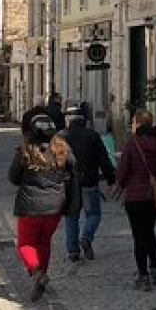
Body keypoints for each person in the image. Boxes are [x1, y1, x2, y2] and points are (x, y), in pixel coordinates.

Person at [7, 112, 79, 301]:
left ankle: (37, 273)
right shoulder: (63, 149)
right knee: (44, 242)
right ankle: (41, 276)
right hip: (55, 206)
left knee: (25, 244)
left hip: (30, 207)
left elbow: (13, 178)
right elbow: (74, 168)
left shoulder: (26, 152)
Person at [115, 109, 156, 291]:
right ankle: (155, 269)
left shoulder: (133, 142)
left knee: (139, 236)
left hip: (135, 196)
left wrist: (119, 184)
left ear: (137, 123)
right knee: (149, 232)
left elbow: (123, 170)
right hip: (153, 194)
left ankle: (143, 275)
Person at [62, 105, 115, 262]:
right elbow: (104, 160)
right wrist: (111, 178)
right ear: (84, 120)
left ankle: (72, 251)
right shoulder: (92, 136)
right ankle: (86, 237)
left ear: (68, 121)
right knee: (93, 214)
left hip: (69, 184)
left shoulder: (61, 137)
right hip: (89, 181)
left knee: (71, 216)